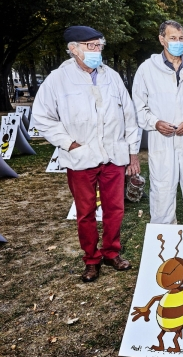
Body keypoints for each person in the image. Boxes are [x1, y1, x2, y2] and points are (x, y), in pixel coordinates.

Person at [32, 26, 140, 283]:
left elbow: (129, 115)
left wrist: (133, 151)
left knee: (115, 209)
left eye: (99, 45)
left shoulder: (111, 76)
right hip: (81, 158)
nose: (97, 50)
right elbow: (42, 116)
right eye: (91, 46)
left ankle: (112, 252)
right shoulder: (57, 79)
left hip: (114, 155)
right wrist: (69, 144)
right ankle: (91, 259)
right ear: (73, 49)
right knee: (86, 212)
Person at [133, 20, 183, 226]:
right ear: (162, 39)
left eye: (181, 38)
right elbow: (139, 107)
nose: (178, 42)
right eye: (172, 38)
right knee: (162, 191)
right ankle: (165, 241)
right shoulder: (146, 70)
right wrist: (156, 122)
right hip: (161, 141)